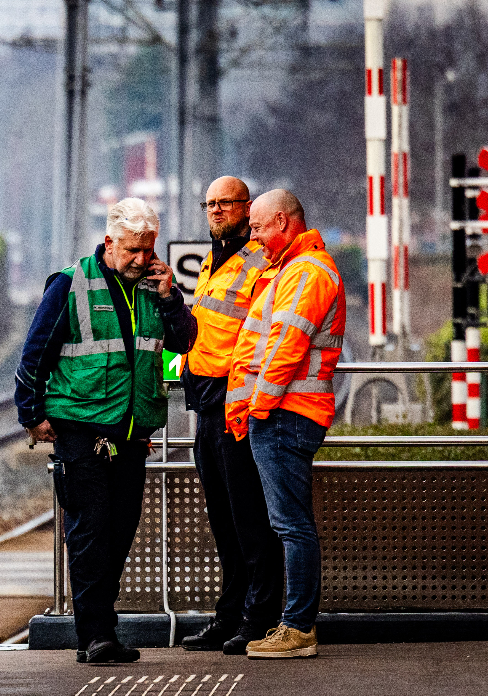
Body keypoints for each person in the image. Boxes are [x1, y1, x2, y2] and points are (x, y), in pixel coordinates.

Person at [17, 198, 197, 664]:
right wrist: (32, 414)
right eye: (133, 249)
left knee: (120, 531)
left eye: (148, 249)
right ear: (110, 241)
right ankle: (94, 634)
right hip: (82, 430)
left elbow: (184, 345)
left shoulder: (153, 290)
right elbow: (35, 353)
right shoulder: (70, 284)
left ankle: (103, 629)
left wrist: (172, 298)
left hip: (132, 434)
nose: (141, 259)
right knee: (90, 532)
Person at [227, 189, 344, 660]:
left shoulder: (306, 272)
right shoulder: (290, 270)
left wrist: (259, 407)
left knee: (292, 525)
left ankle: (297, 627)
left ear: (281, 222)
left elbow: (285, 345)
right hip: (284, 413)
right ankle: (294, 624)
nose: (251, 234)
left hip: (285, 415)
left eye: (256, 226)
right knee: (289, 523)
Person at [178, 177, 283, 655]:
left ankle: (259, 618)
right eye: (211, 204)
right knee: (222, 516)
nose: (217, 210)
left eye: (227, 203)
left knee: (249, 516)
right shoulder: (209, 261)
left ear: (248, 208)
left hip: (237, 400)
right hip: (206, 400)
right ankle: (229, 615)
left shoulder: (259, 260)